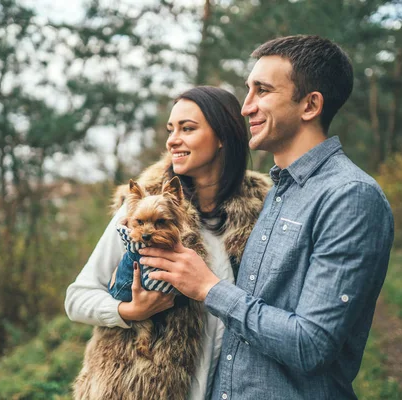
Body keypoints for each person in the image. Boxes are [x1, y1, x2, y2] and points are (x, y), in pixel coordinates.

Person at [139, 35, 395, 399]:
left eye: (262, 91)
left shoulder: (350, 196)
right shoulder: (276, 191)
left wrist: (209, 288)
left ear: (310, 105)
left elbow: (312, 344)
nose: (246, 108)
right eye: (248, 90)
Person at [65, 86, 272, 399]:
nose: (172, 139)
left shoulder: (263, 212)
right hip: (137, 388)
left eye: (187, 129)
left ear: (222, 137)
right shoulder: (142, 208)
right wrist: (128, 310)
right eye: (170, 129)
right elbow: (77, 298)